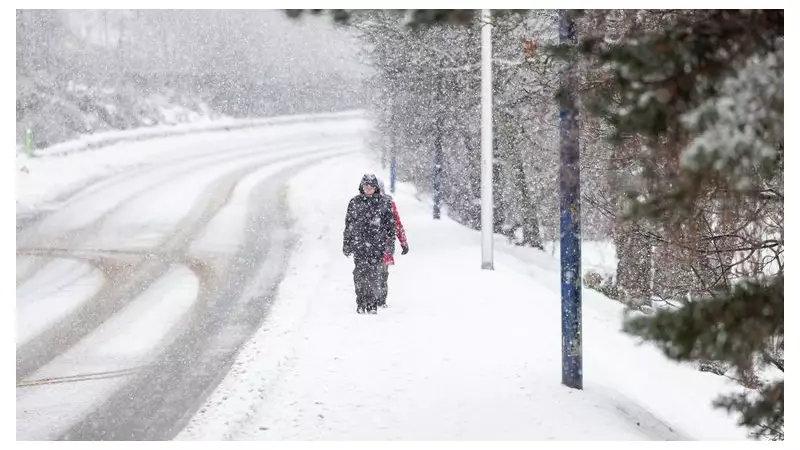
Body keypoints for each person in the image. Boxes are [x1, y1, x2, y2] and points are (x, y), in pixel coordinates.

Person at [343, 174, 396, 314]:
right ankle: (361, 301)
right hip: (359, 245)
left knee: (374, 275)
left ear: (376, 188)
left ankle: (372, 303)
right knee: (359, 274)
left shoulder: (384, 203)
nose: (368, 189)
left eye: (371, 187)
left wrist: (390, 244)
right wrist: (346, 243)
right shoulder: (354, 202)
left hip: (377, 246)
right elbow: (349, 225)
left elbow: (390, 226)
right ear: (362, 187)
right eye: (366, 186)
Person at [377, 179, 409, 308]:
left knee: (382, 271)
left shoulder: (388, 203)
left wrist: (403, 242)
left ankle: (380, 298)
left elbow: (397, 224)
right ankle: (373, 297)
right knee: (373, 271)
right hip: (372, 243)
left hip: (385, 242)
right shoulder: (363, 203)